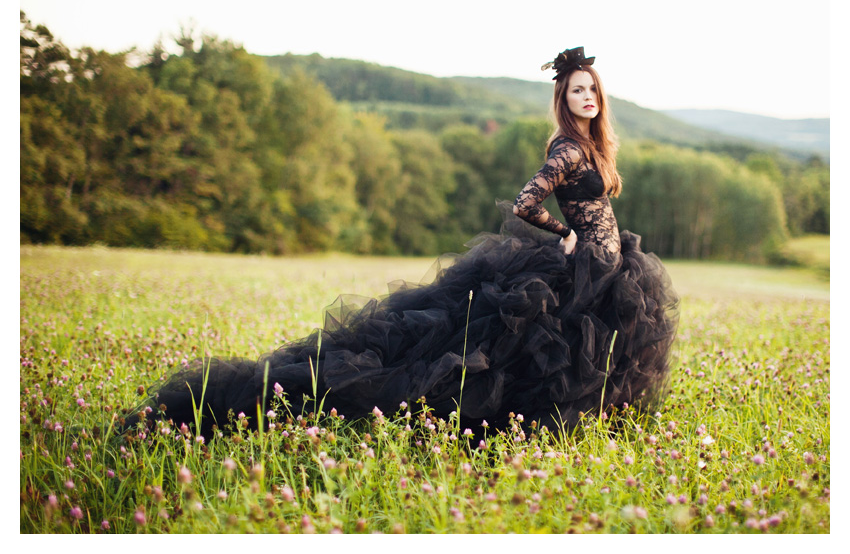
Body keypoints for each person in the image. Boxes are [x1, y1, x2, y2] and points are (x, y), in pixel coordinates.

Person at [123, 47, 678, 437]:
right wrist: (566, 236)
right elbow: (523, 204)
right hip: (582, 262)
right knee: (511, 356)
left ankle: (594, 420)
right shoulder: (567, 151)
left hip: (610, 264)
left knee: (598, 354)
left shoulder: (593, 144)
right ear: (564, 97)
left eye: (592, 91)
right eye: (577, 91)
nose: (587, 98)